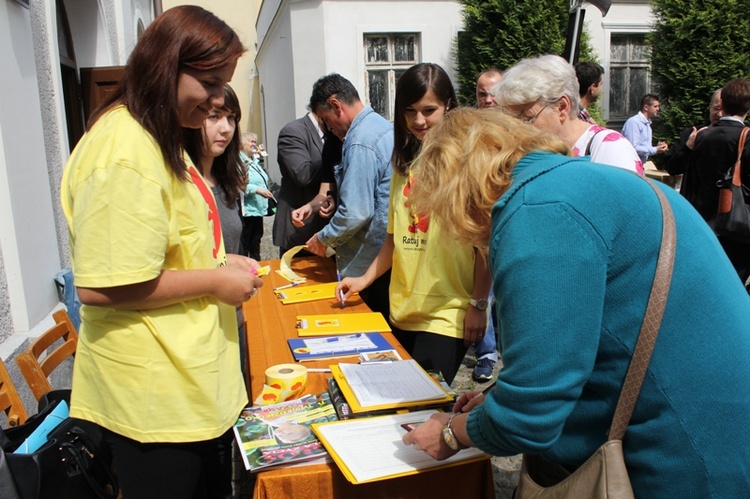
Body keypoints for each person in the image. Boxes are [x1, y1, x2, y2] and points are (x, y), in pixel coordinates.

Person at [401, 108, 750, 498]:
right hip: (717, 431)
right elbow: (570, 349)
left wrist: (451, 433)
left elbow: (529, 416)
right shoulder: (576, 185)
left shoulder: (537, 212)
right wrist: (497, 395)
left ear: (456, 187)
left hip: (685, 456)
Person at [60, 7, 262, 498]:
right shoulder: (123, 150)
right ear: (166, 65)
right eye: (210, 85)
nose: (217, 101)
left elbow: (168, 249)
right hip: (154, 402)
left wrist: (219, 263)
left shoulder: (157, 137)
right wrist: (215, 281)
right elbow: (102, 285)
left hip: (187, 388)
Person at [336, 63, 490, 385]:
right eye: (410, 111)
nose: (419, 121)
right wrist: (363, 279)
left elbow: (484, 244)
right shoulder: (402, 164)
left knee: (423, 404)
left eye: (429, 110)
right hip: (403, 308)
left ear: (449, 105)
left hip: (447, 312)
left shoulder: (468, 162)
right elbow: (394, 239)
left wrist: (478, 303)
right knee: (402, 407)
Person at [304, 73, 393, 319]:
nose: (329, 129)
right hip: (385, 258)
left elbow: (356, 211)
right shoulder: (382, 126)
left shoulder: (359, 141)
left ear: (336, 105)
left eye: (326, 121)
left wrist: (323, 238)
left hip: (370, 262)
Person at [184, 83, 254, 383]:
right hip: (197, 333)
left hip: (234, 319)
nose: (225, 128)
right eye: (214, 117)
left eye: (231, 118)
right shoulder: (182, 182)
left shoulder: (227, 181)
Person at [495, 54, 642, 174]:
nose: (516, 130)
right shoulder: (529, 153)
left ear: (561, 108)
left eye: (526, 118)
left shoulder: (609, 149)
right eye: (511, 120)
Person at [683, 79, 750, 283]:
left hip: (706, 221)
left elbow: (692, 180)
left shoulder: (703, 136)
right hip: (738, 223)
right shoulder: (746, 138)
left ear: (724, 105)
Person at [473, 68, 503, 381]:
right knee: (483, 288)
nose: (488, 99)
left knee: (501, 289)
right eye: (482, 93)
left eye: (493, 92)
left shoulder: (516, 126)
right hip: (479, 218)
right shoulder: (472, 127)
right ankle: (485, 354)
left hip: (507, 217)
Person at [273, 110, 332, 256]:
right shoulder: (293, 132)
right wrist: (335, 159)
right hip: (301, 230)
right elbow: (302, 174)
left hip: (328, 229)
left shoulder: (333, 135)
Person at [665, 89, 722, 178]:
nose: (720, 114)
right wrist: (687, 148)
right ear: (710, 107)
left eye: (725, 110)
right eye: (716, 108)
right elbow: (671, 168)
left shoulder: (740, 137)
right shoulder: (691, 133)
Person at [239, 131, 274, 260]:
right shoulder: (239, 161)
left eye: (255, 142)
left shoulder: (253, 160)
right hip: (247, 209)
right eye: (251, 142)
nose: (254, 144)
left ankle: (257, 266)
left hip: (257, 208)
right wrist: (257, 190)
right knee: (246, 242)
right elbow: (237, 183)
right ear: (242, 144)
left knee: (256, 240)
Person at [621, 93, 669, 164]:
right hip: (630, 165)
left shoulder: (647, 125)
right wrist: (655, 149)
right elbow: (633, 148)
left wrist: (658, 147)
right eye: (655, 106)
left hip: (640, 165)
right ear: (646, 107)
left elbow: (644, 147)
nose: (658, 109)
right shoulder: (634, 122)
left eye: (658, 106)